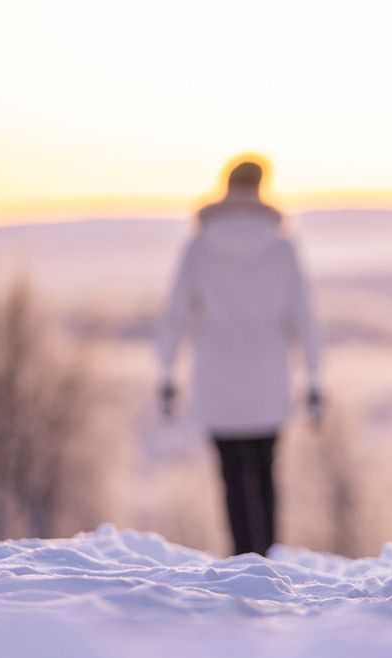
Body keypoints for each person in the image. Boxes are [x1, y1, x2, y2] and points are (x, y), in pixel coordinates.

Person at [156, 157, 323, 556]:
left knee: (233, 476)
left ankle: (243, 558)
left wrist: (166, 372)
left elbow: (175, 313)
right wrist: (314, 379)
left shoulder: (199, 246)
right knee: (265, 473)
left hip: (216, 378)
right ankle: (267, 558)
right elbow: (303, 316)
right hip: (268, 376)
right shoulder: (282, 247)